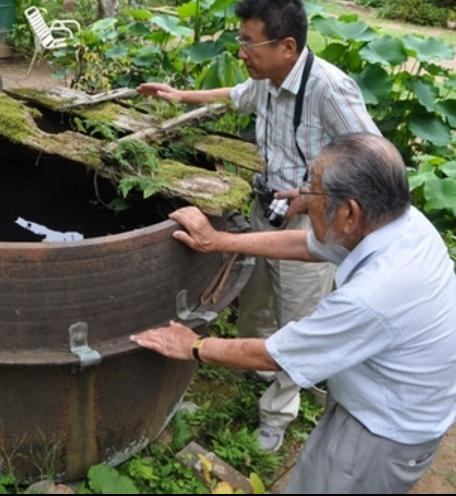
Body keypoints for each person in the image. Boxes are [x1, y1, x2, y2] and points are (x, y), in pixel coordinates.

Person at [130, 132, 456, 494]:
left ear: (349, 212)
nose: (303, 197)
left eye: (312, 189)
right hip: (384, 399)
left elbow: (275, 354)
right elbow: (307, 243)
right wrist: (219, 241)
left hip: (381, 433)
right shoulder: (401, 224)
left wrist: (191, 346)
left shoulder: (373, 295)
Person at [136, 0, 382, 451]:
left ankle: (279, 410)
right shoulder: (267, 80)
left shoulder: (329, 88)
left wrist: (316, 196)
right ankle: (253, 371)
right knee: (254, 298)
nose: (241, 51)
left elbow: (372, 157)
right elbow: (236, 95)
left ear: (287, 47)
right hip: (264, 207)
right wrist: (178, 96)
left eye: (249, 42)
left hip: (310, 222)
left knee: (297, 322)